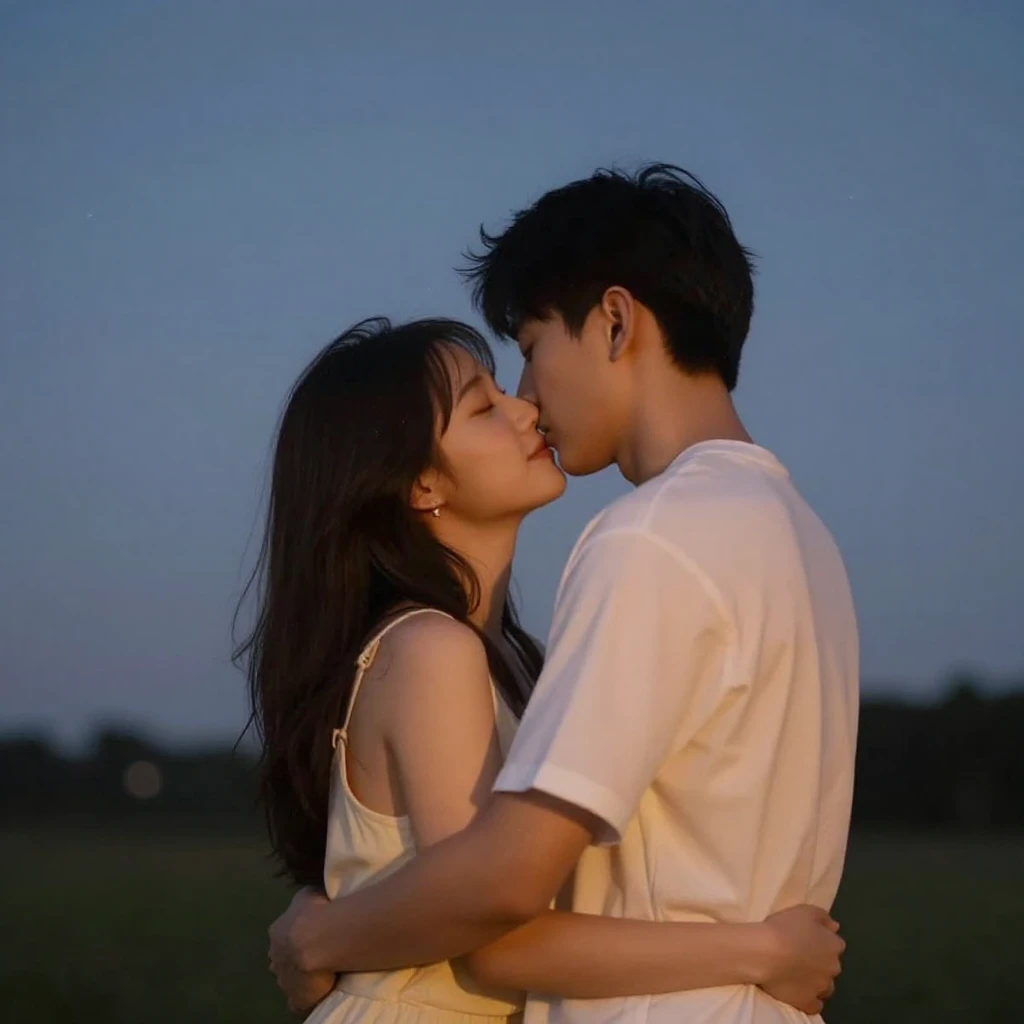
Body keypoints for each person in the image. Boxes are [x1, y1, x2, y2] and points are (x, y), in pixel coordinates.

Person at [267, 162, 859, 1024]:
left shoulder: (650, 539)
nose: (527, 399)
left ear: (615, 321)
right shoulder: (804, 539)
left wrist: (318, 936)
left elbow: (503, 894)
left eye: (532, 347)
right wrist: (762, 949)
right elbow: (501, 907)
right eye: (487, 402)